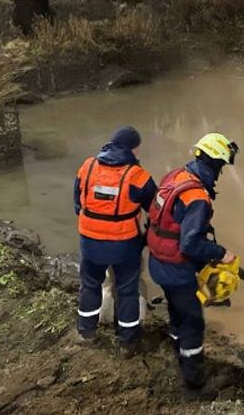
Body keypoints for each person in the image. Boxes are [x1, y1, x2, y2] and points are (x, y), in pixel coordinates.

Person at [147, 132, 240, 399]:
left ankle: (179, 356)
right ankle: (194, 385)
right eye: (222, 165)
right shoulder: (197, 198)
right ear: (215, 164)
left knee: (177, 314)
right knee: (193, 322)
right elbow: (189, 245)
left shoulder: (176, 176)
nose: (222, 172)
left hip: (158, 261)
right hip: (177, 270)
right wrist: (220, 253)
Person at [74, 126, 157, 354]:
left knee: (90, 284)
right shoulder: (138, 176)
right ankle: (127, 342)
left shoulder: (88, 166)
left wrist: (93, 223)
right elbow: (156, 209)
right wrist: (148, 236)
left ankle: (86, 333)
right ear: (134, 149)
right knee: (127, 289)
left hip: (90, 241)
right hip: (125, 244)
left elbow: (78, 202)